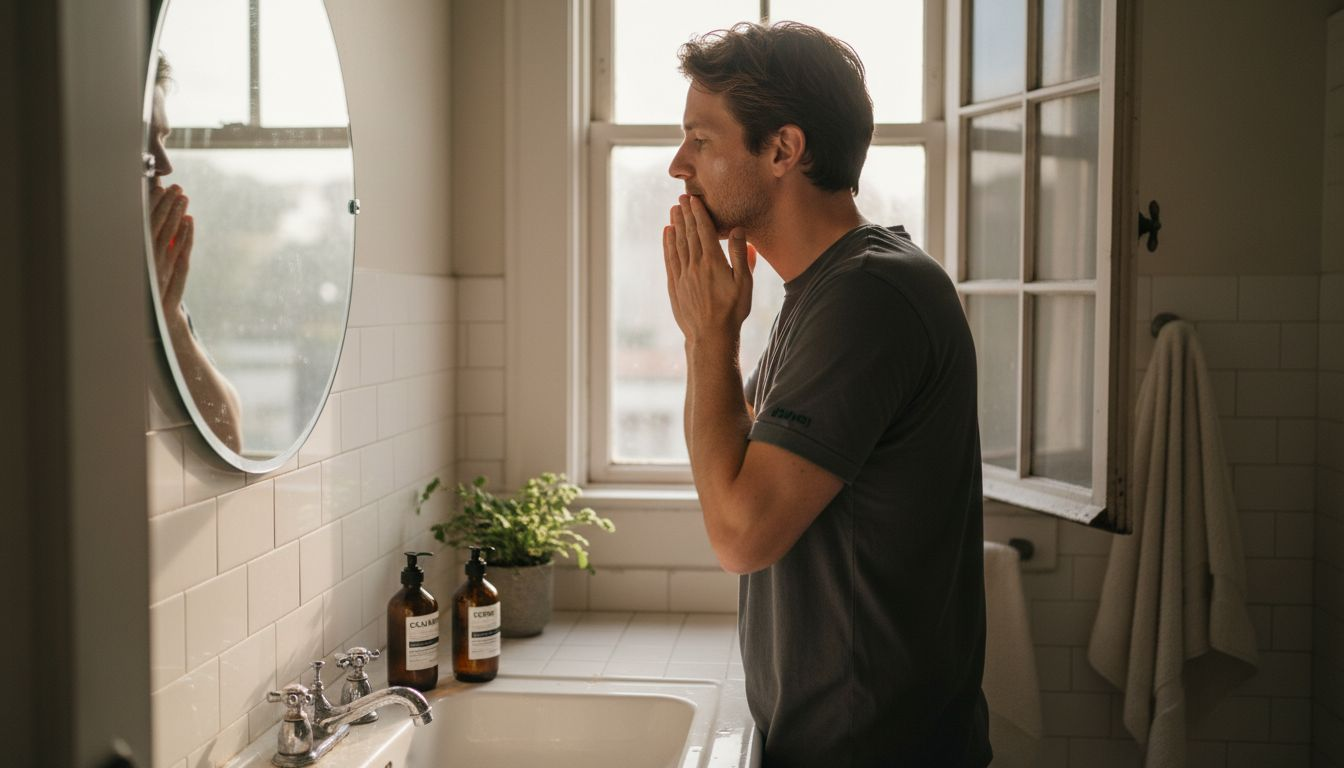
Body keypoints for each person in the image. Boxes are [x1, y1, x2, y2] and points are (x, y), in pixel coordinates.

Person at [661, 21, 992, 767]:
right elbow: (747, 465)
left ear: (783, 149)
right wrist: (717, 332)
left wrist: (708, 340)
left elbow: (740, 534)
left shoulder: (869, 294)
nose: (679, 165)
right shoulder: (824, 292)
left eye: (701, 140)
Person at [148, 55, 244, 453]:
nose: (165, 164)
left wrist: (170, 318)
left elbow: (228, 439)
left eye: (163, 138)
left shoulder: (153, 272)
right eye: (140, 142)